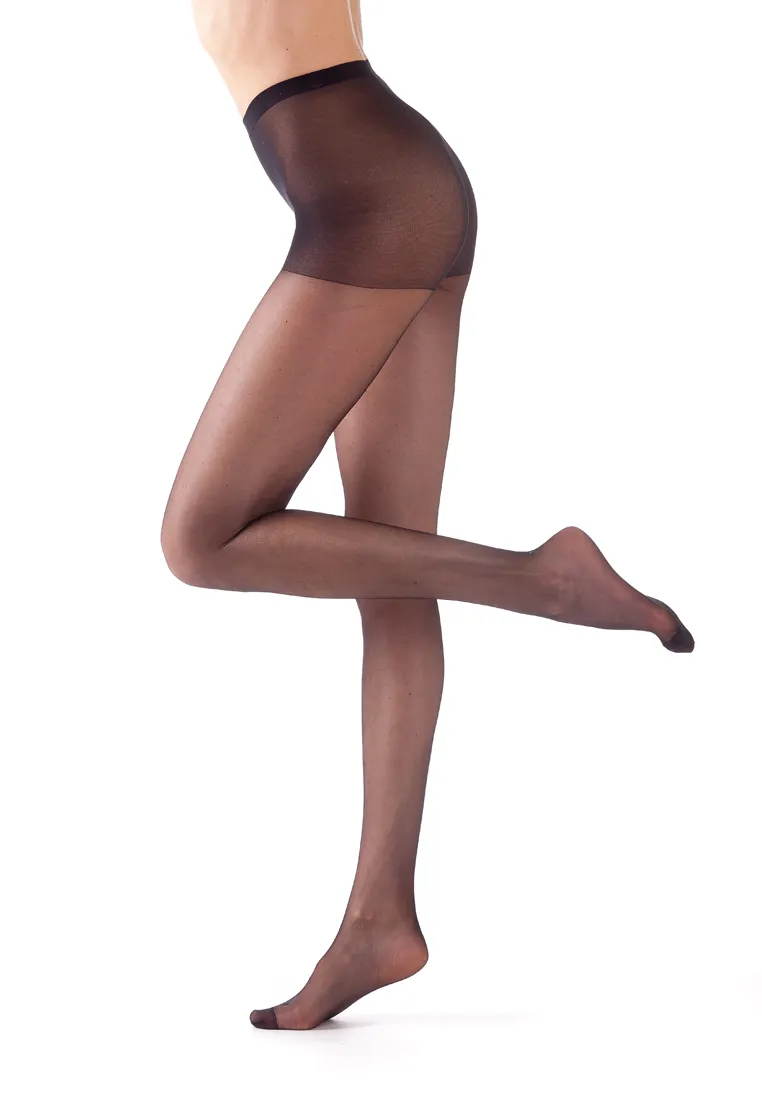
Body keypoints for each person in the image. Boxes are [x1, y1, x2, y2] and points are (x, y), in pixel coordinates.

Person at [161, 0, 694, 1031]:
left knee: (201, 537)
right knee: (389, 573)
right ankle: (379, 919)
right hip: (389, 190)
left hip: (375, 205)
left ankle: (542, 580)